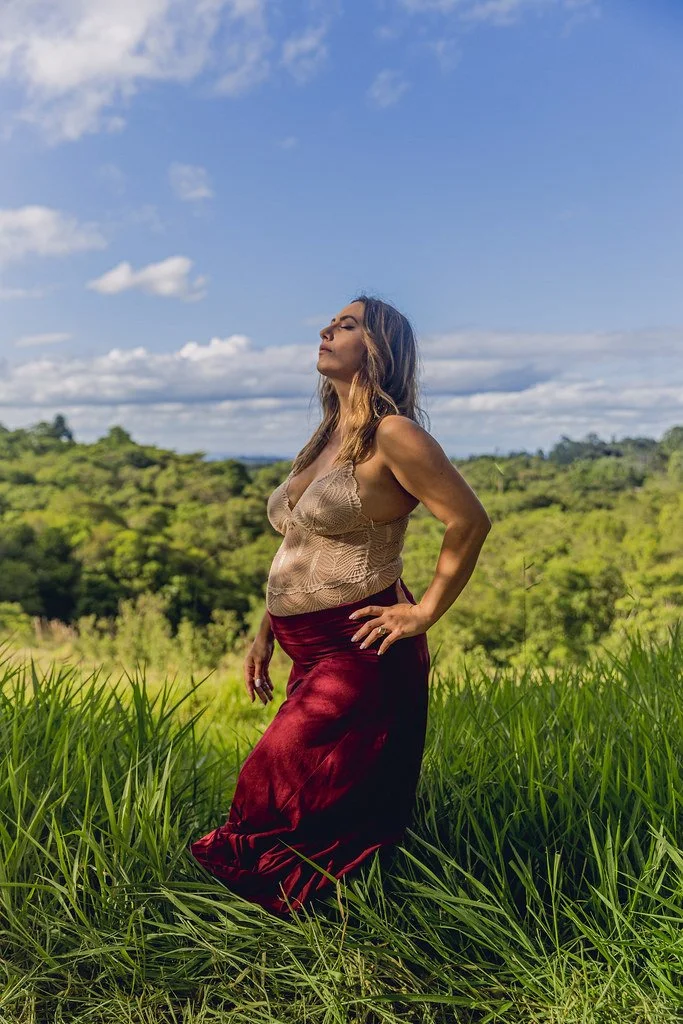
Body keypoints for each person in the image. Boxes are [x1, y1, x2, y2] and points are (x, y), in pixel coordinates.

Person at [188, 295, 492, 916]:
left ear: (377, 349)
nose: (327, 329)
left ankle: (303, 903)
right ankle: (330, 897)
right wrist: (264, 631)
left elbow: (468, 520)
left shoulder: (394, 434)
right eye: (330, 322)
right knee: (323, 786)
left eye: (347, 324)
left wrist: (424, 612)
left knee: (272, 778)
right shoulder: (328, 435)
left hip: (359, 645)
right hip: (303, 643)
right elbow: (300, 543)